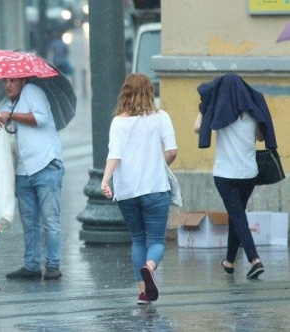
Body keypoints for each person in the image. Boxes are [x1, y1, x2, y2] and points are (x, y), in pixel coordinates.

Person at [100, 73, 178, 305]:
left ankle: (144, 293)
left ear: (125, 93)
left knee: (138, 239)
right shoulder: (161, 117)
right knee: (156, 240)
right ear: (149, 92)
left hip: (126, 192)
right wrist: (159, 163)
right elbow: (172, 151)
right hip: (155, 188)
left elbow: (115, 155)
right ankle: (149, 266)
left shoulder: (118, 122)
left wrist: (105, 181)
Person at [194, 73, 274, 280]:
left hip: (225, 174)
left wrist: (203, 107)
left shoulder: (220, 113)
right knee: (235, 215)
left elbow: (197, 128)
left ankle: (254, 259)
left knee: (237, 216)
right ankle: (229, 261)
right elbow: (260, 137)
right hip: (248, 174)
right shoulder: (252, 113)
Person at [0, 77, 65, 281]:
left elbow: (41, 118)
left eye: (13, 81)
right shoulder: (8, 103)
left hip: (45, 164)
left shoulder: (32, 91)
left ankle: (53, 265)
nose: (8, 85)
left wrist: (10, 115)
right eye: (5, 81)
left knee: (50, 219)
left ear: (23, 80)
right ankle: (31, 265)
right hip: (23, 169)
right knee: (29, 222)